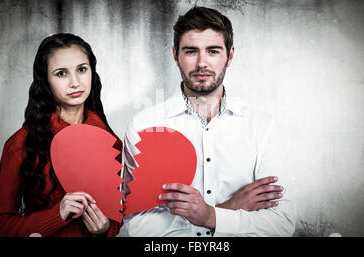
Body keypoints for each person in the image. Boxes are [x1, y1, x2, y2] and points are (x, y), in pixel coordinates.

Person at [118, 6, 296, 237]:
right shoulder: (143, 125)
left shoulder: (263, 127)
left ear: (229, 56)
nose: (202, 63)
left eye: (213, 51)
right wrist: (227, 211)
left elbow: (281, 224)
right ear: (175, 55)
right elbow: (136, 225)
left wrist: (210, 216)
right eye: (191, 51)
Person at [0, 33, 122, 237]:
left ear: (92, 73)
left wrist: (106, 229)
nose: (75, 82)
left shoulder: (112, 143)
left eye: (81, 69)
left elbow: (123, 215)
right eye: (61, 73)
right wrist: (57, 213)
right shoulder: (21, 144)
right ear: (45, 81)